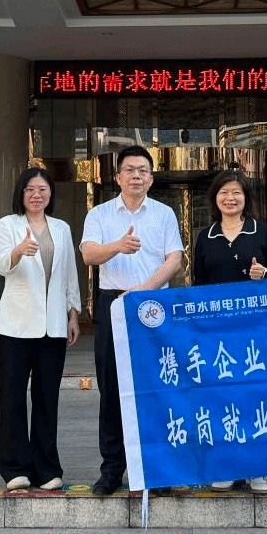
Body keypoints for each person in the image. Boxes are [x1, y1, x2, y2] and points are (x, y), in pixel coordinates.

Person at [80, 145, 184, 495]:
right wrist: (117, 246)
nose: (136, 175)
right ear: (117, 177)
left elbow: (174, 260)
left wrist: (142, 290)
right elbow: (88, 253)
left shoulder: (164, 214)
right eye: (130, 170)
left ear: (151, 179)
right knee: (112, 388)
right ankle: (112, 469)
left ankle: (156, 469)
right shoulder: (100, 214)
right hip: (113, 304)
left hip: (152, 305)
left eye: (143, 170)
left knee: (155, 387)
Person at [192, 169, 267, 494]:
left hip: (256, 330)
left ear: (246, 198)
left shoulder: (263, 231)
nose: (230, 198)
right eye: (224, 192)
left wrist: (266, 273)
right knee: (222, 397)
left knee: (257, 396)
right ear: (214, 198)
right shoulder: (205, 237)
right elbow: (199, 285)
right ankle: (226, 466)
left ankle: (258, 467)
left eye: (236, 192)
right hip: (218, 333)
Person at [0, 167, 81, 491]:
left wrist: (73, 313)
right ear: (21, 193)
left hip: (52, 327)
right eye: (30, 189)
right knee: (12, 398)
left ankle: (46, 468)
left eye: (42, 189)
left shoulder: (62, 228)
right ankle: (14, 467)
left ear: (50, 194)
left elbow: (69, 273)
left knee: (46, 399)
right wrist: (17, 251)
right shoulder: (8, 224)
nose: (36, 195)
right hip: (15, 326)